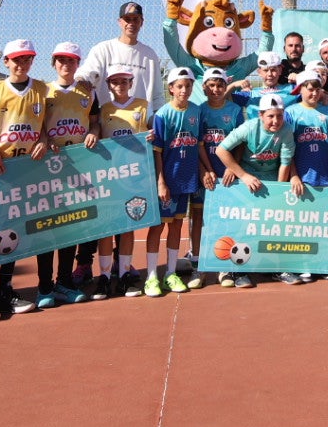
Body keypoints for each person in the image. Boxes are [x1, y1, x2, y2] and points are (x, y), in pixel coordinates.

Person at [0, 39, 48, 320]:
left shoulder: (43, 89)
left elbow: (45, 126)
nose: (21, 64)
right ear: (5, 61)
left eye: (27, 59)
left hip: (25, 171)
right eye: (15, 59)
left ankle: (6, 286)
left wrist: (43, 140)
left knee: (13, 231)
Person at [35, 42, 100, 306]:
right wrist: (43, 138)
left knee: (71, 226)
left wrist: (94, 133)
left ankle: (64, 282)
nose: (66, 65)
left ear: (78, 64)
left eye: (71, 61)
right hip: (48, 169)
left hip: (78, 167)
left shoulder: (88, 93)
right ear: (53, 63)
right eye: (61, 60)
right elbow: (35, 124)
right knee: (46, 227)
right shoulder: (43, 92)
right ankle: (43, 286)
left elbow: (94, 122)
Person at [212, 93, 295, 288]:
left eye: (279, 116)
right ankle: (238, 270)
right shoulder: (249, 127)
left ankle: (277, 268)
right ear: (261, 115)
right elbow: (221, 150)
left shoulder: (286, 131)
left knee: (274, 225)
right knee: (242, 224)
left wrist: (278, 192)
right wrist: (243, 175)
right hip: (248, 179)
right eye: (271, 116)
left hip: (272, 180)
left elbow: (285, 164)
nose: (275, 121)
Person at [92, 64, 152, 299]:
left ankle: (125, 273)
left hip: (135, 177)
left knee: (128, 227)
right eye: (115, 82)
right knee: (107, 228)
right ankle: (105, 276)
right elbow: (95, 130)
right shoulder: (104, 109)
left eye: (124, 81)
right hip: (110, 178)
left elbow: (151, 131)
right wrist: (93, 132)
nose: (120, 85)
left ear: (130, 83)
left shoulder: (143, 106)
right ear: (108, 85)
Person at [146, 67, 205, 297]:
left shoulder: (196, 112)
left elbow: (198, 145)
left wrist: (205, 170)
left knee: (177, 226)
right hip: (168, 179)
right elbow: (157, 152)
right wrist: (161, 182)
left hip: (186, 179)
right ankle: (152, 276)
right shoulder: (162, 115)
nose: (184, 90)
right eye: (179, 86)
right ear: (171, 88)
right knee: (158, 226)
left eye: (188, 86)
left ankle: (170, 273)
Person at [280, 70, 328, 284]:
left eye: (316, 88)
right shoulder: (291, 112)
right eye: (309, 88)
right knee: (301, 225)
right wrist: (293, 175)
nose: (313, 92)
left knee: (322, 225)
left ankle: (321, 264)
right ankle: (302, 265)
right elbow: (287, 148)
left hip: (324, 177)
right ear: (300, 89)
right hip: (302, 177)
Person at [191, 69, 243, 285]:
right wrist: (204, 170)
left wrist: (233, 167)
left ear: (225, 87)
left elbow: (241, 142)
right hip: (204, 174)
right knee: (199, 217)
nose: (215, 90)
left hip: (227, 174)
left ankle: (225, 267)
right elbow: (195, 143)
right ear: (204, 88)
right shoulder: (198, 111)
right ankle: (198, 265)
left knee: (227, 218)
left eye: (219, 85)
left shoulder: (235, 110)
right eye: (211, 85)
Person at [80, 2, 163, 113]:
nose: (131, 23)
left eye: (136, 19)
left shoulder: (150, 55)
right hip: (108, 122)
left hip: (140, 123)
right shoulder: (103, 49)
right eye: (127, 19)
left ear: (142, 22)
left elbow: (157, 95)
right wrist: (81, 79)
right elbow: (86, 74)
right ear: (120, 22)